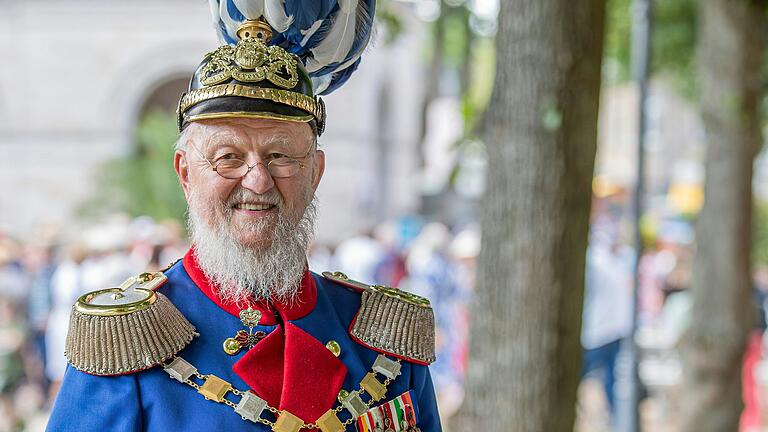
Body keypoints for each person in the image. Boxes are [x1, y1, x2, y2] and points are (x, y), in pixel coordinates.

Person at [46, 2, 441, 431]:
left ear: (315, 172)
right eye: (228, 158)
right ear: (185, 173)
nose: (257, 180)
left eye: (280, 156)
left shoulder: (385, 341)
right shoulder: (122, 339)